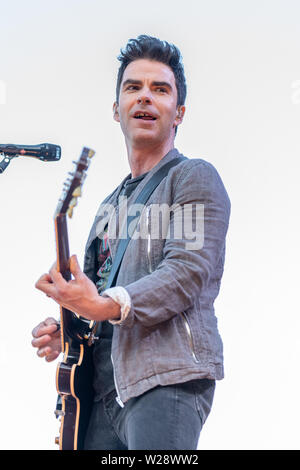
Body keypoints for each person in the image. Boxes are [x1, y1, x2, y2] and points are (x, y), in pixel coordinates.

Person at [31, 35, 231, 450]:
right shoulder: (108, 207)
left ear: (179, 113)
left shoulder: (192, 177)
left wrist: (102, 305)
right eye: (133, 87)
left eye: (160, 89)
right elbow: (95, 304)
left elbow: (185, 273)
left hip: (164, 380)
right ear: (116, 109)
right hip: (99, 395)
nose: (145, 97)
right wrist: (70, 329)